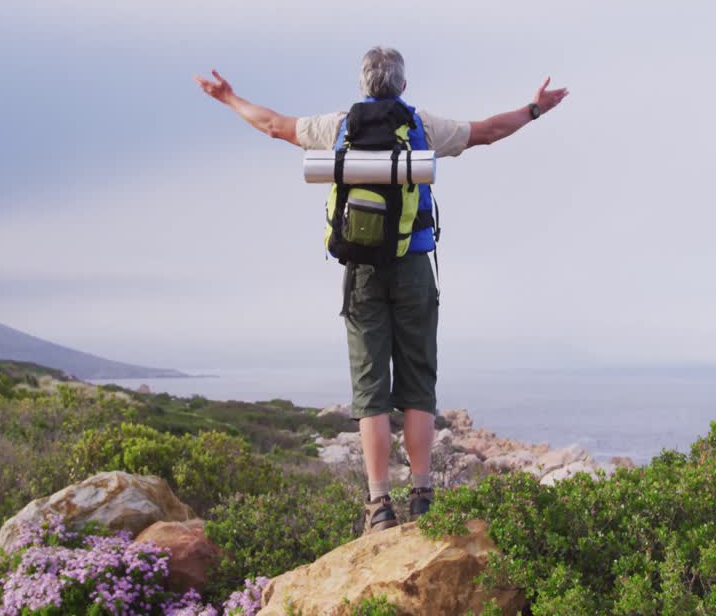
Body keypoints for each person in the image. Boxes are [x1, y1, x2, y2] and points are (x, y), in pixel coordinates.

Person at [196, 47, 568, 533]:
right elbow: (488, 133)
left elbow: (273, 125)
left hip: (361, 272)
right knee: (418, 383)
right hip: (413, 267)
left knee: (370, 389)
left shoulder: (339, 126)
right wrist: (534, 109)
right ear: (403, 85)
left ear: (363, 83)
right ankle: (422, 496)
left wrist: (229, 98)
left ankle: (378, 505)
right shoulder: (422, 125)